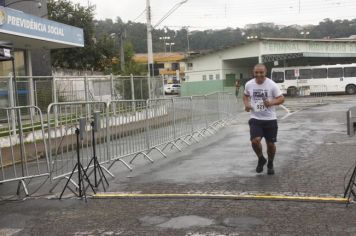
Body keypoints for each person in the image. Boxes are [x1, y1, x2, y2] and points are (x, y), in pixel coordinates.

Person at [243, 64, 284, 175]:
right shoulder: (249, 84)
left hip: (270, 119)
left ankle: (270, 162)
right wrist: (246, 104)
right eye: (257, 72)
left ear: (265, 72)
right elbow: (245, 95)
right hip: (255, 118)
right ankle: (261, 159)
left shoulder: (272, 85)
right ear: (253, 72)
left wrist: (271, 102)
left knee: (270, 144)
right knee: (255, 141)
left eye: (261, 72)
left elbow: (281, 98)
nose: (259, 75)